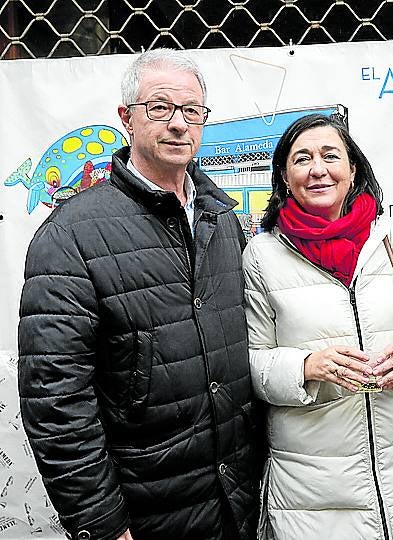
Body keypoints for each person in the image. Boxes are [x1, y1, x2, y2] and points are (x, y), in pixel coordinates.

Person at [18, 49, 259, 540]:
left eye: (192, 111)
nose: (178, 124)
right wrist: (101, 523)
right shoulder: (70, 236)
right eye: (160, 107)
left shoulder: (222, 219)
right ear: (126, 118)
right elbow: (56, 398)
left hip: (237, 500)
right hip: (145, 510)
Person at [243, 113, 393, 539]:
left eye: (330, 155)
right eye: (302, 159)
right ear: (284, 176)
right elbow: (251, 362)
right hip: (311, 498)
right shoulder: (261, 255)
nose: (317, 169)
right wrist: (306, 366)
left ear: (352, 169)